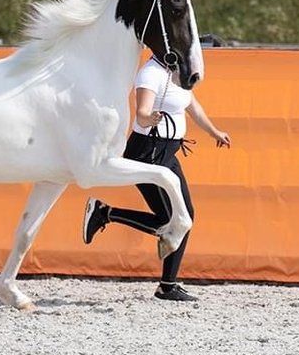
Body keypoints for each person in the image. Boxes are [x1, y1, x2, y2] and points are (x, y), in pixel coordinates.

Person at [82, 54, 231, 301]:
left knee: (185, 216)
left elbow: (193, 106)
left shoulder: (178, 71)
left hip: (167, 153)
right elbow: (141, 112)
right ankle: (166, 284)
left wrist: (214, 132)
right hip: (147, 154)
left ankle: (166, 283)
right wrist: (148, 118)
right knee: (176, 219)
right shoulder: (150, 73)